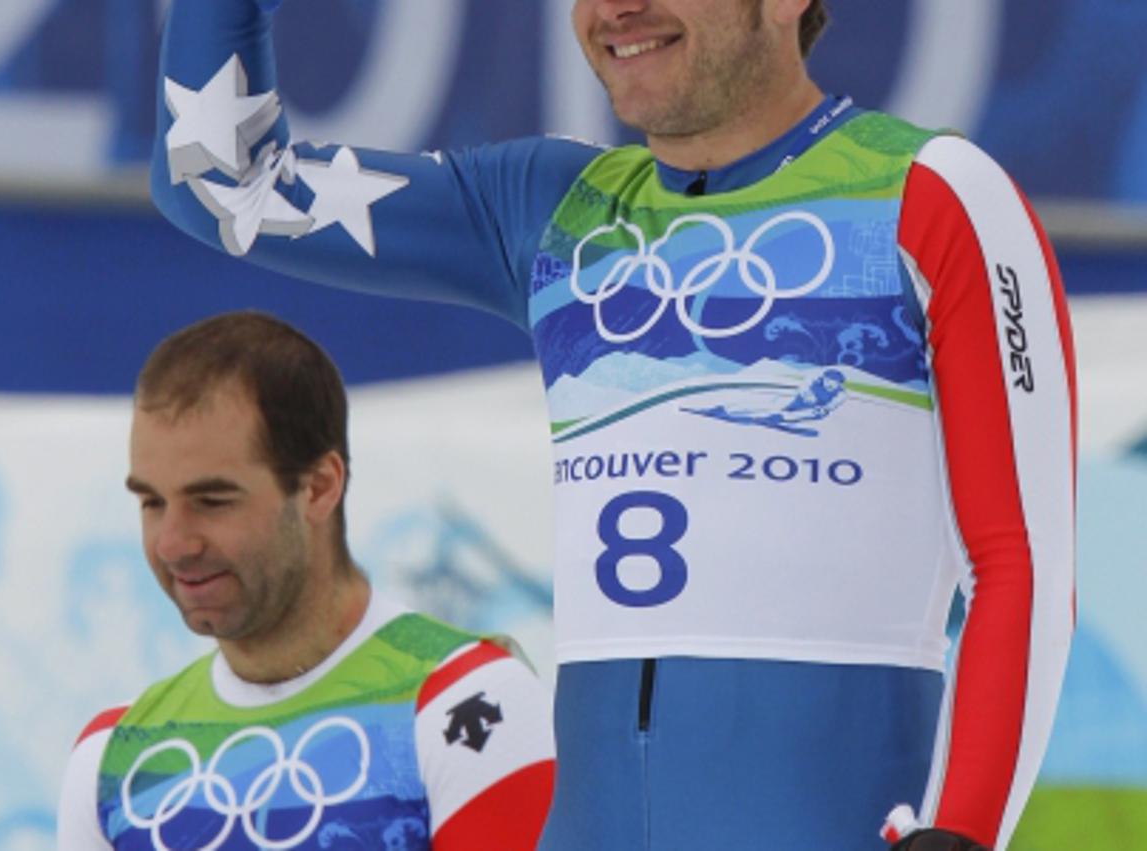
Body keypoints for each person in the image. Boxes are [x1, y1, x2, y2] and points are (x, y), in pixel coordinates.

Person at [148, 1, 1078, 848]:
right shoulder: (553, 207)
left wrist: (961, 834)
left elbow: (1023, 562)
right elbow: (219, 182)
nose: (615, 12)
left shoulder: (930, 193)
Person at [56, 311, 556, 850]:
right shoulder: (113, 758)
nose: (173, 542)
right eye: (152, 502)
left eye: (212, 501)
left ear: (319, 487)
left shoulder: (466, 706)